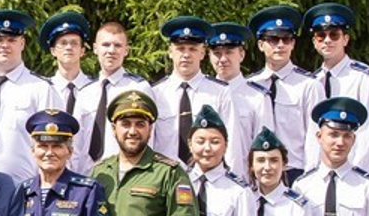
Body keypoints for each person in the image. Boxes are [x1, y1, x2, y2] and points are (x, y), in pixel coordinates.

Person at [0, 10, 53, 184]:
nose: (4, 45)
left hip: (23, 185)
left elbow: (51, 142)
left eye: (11, 40)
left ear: (22, 43)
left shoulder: (40, 89)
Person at [246, 5, 323, 181]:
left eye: (286, 39)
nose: (280, 45)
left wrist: (310, 178)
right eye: (273, 39)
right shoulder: (249, 86)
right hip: (259, 173)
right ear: (261, 44)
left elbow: (314, 137)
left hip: (295, 171)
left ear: (293, 44)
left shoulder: (308, 85)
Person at [304, 3, 369, 174]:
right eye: (321, 36)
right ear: (314, 42)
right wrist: (311, 171)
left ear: (345, 39)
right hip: (319, 173)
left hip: (352, 170)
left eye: (334, 35)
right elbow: (312, 132)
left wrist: (358, 173)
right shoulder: (312, 81)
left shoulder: (363, 77)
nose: (327, 40)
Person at [151, 16, 232, 166]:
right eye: (180, 49)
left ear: (202, 53)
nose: (186, 55)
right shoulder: (156, 93)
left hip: (206, 176)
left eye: (193, 49)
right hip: (166, 176)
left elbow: (231, 141)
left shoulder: (220, 92)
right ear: (170, 52)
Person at [72, 20, 147, 174]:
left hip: (124, 175)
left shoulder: (138, 88)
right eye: (106, 45)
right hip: (85, 174)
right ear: (95, 48)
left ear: (126, 50)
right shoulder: (85, 91)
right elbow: (75, 142)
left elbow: (146, 138)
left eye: (118, 45)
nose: (111, 50)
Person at [204, 22, 265, 178]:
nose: (223, 59)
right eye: (217, 53)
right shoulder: (204, 94)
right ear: (209, 56)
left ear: (241, 54)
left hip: (243, 178)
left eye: (229, 52)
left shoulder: (257, 97)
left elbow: (262, 145)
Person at [40, 11, 94, 116]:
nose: (69, 47)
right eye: (63, 43)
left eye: (74, 43)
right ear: (53, 51)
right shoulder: (43, 89)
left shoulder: (95, 89)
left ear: (82, 51)